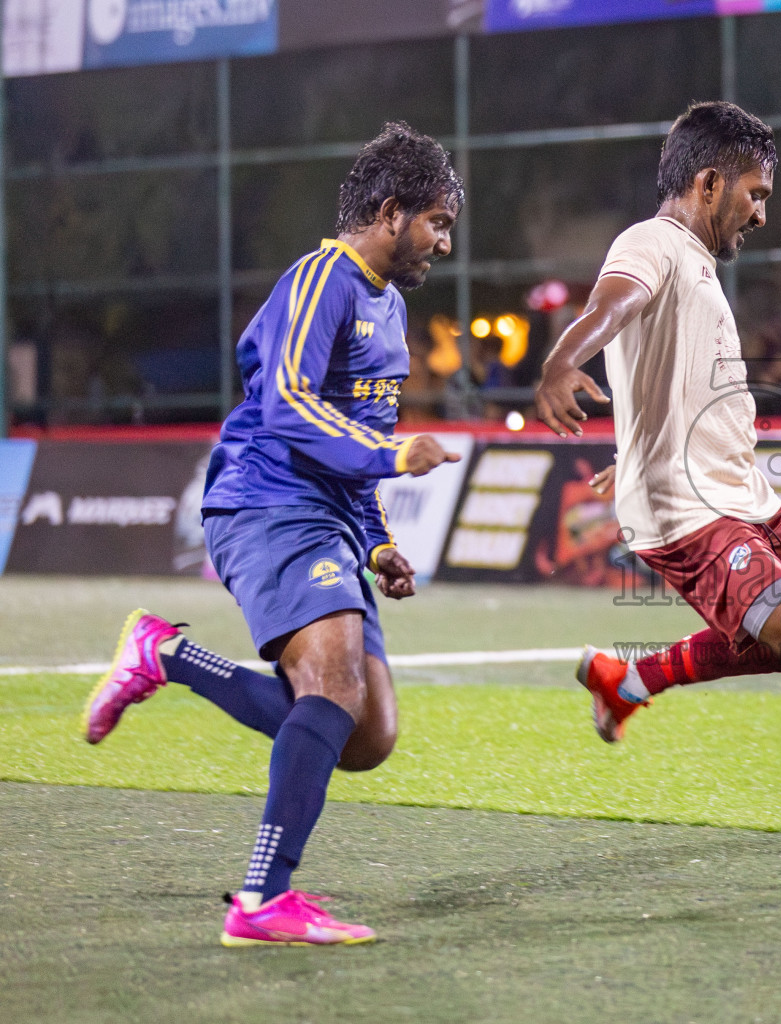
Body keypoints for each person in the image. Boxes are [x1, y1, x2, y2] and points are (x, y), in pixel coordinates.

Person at [81, 123, 465, 945]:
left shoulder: (391, 311)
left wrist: (376, 544)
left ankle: (164, 654)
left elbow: (352, 437)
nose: (443, 241)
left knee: (365, 735)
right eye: (437, 222)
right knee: (330, 692)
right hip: (266, 500)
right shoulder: (320, 278)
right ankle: (263, 898)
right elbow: (291, 406)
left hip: (324, 514)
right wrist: (394, 454)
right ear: (391, 212)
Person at [532, 101, 781, 890]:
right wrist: (560, 361)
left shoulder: (696, 262)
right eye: (755, 192)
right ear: (709, 184)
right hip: (689, 509)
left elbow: (671, 377)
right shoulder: (651, 243)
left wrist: (637, 447)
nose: (762, 211)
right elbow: (609, 306)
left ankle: (628, 679)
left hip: (738, 493)